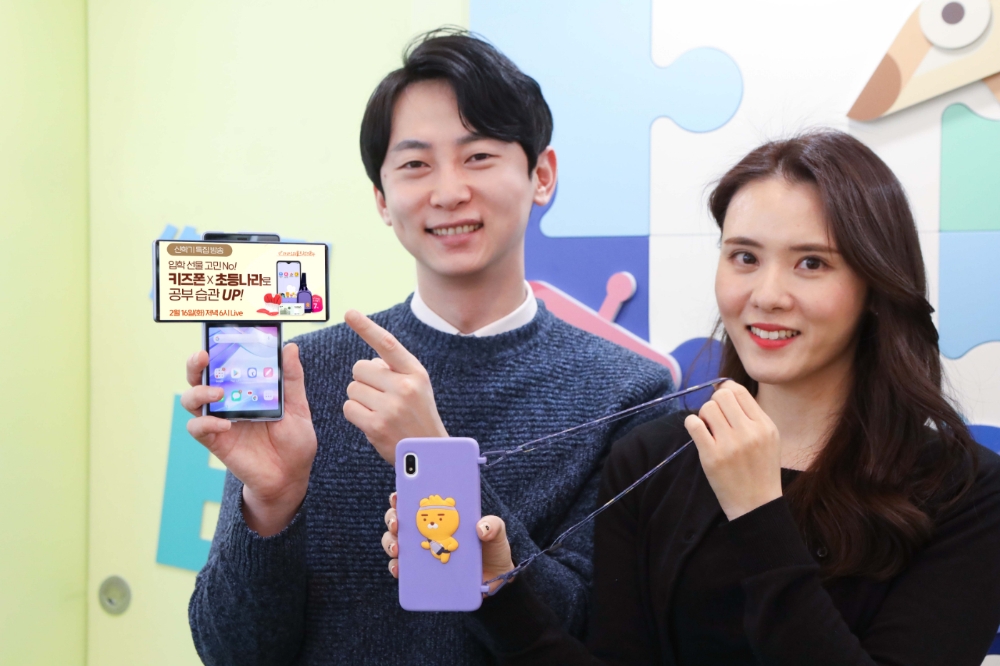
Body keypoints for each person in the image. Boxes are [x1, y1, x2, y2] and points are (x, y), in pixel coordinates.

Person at [381, 130, 1000, 664]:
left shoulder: (967, 491)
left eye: (812, 263)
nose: (767, 295)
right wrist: (497, 586)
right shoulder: (651, 457)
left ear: (876, 285)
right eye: (744, 257)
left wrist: (757, 510)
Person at [183, 30, 676, 665]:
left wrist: (437, 462)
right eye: (415, 164)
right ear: (382, 200)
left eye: (478, 156)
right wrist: (271, 504)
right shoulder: (303, 376)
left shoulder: (632, 397)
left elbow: (589, 637)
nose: (447, 192)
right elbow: (233, 653)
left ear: (541, 175)